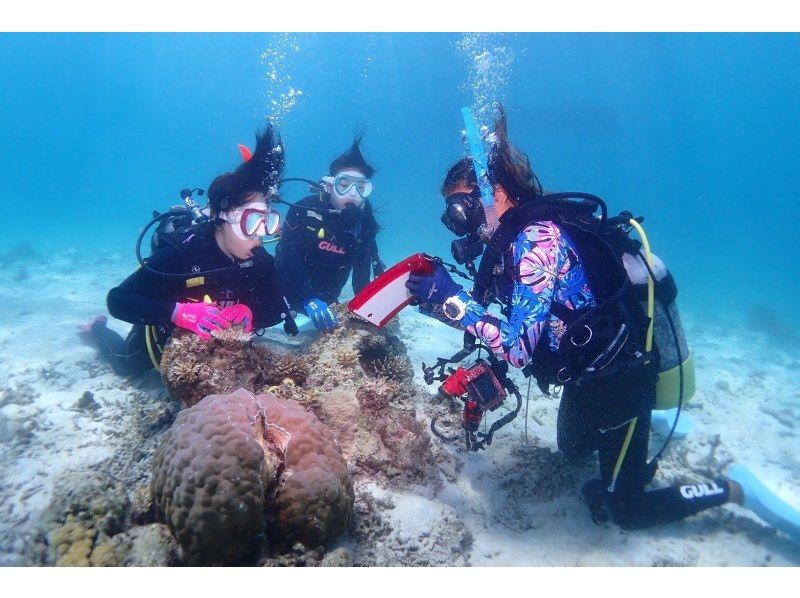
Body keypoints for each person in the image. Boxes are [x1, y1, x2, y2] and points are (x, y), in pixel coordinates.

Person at [406, 105, 800, 542]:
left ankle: (732, 490)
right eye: (451, 214)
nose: (457, 224)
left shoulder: (538, 240)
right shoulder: (516, 242)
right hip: (585, 377)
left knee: (625, 510)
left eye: (460, 209)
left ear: (496, 194)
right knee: (573, 452)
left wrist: (454, 303)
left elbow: (517, 348)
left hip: (621, 379)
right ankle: (637, 430)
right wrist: (447, 304)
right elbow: (525, 325)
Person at [78, 125, 294, 378]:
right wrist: (177, 313)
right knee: (126, 365)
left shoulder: (258, 260)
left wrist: (250, 312)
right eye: (251, 222)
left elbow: (279, 308)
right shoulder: (182, 252)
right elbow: (118, 301)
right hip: (169, 335)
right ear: (221, 218)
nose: (259, 236)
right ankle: (97, 330)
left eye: (266, 222)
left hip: (220, 350)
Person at [274, 133, 383, 331]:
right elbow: (290, 257)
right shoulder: (302, 210)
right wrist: (309, 297)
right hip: (285, 293)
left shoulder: (365, 222)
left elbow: (362, 269)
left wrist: (364, 310)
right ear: (329, 185)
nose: (352, 193)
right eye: (344, 185)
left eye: (360, 187)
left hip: (328, 300)